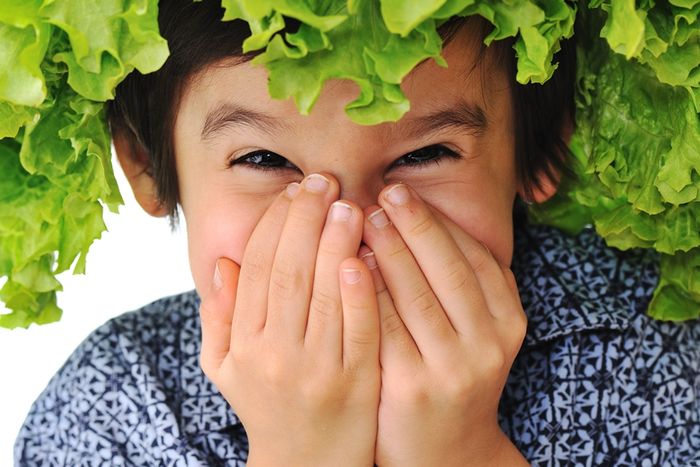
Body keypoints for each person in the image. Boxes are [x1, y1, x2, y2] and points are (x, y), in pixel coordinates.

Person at [14, 1, 700, 466]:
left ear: (541, 145)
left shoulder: (655, 357)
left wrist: (463, 455)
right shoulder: (114, 406)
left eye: (425, 155)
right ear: (145, 162)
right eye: (264, 160)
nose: (347, 228)